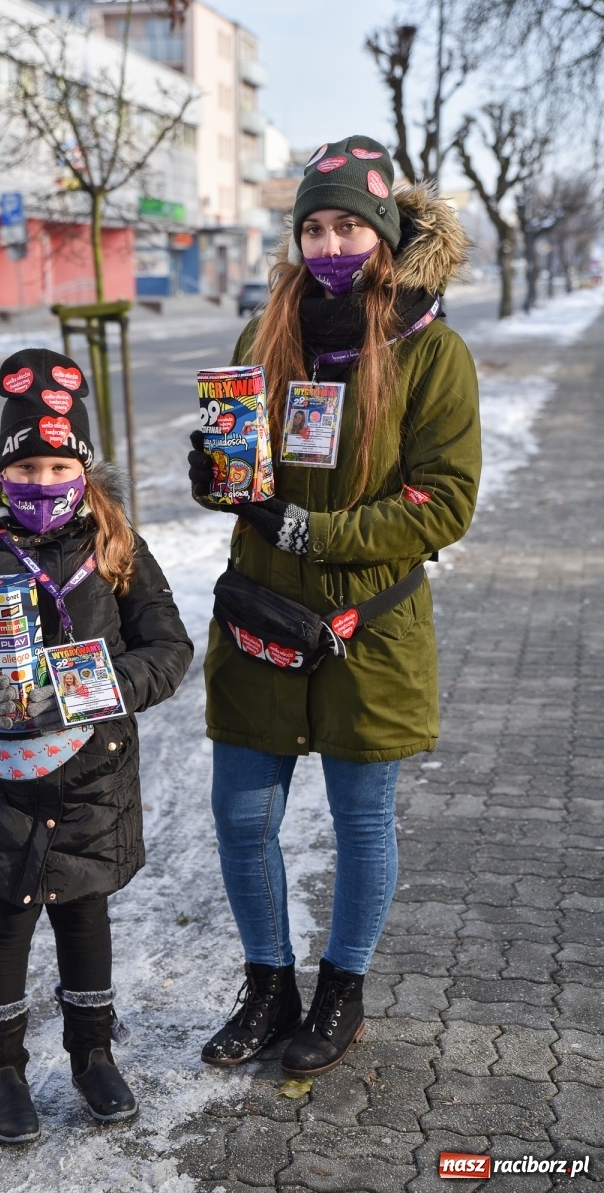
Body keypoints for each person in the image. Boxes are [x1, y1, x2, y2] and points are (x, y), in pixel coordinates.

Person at [189, 136, 481, 1076]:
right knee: (241, 816)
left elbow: (443, 502)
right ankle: (267, 986)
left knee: (362, 818)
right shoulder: (264, 333)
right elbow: (249, 474)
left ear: (384, 233)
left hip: (372, 626)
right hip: (260, 614)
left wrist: (317, 535)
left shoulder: (431, 350)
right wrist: (217, 479)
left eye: (347, 223)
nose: (327, 243)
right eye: (312, 226)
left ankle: (340, 992)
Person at [0, 349, 192, 1142]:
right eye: (24, 466)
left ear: (83, 468)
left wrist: (95, 690)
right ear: (1, 474)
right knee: (3, 918)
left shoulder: (115, 545)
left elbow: (167, 650)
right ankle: (0, 1066)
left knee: (83, 913)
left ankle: (93, 1056)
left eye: (57, 463)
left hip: (91, 774)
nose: (40, 480)